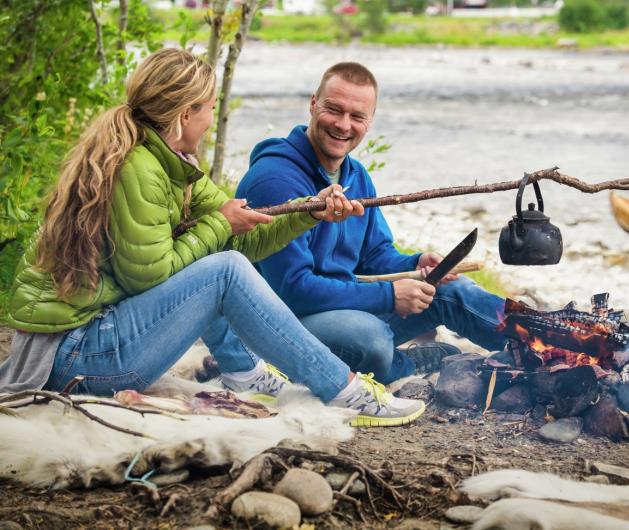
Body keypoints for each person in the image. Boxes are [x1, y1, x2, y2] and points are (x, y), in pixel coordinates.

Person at [0, 49, 425, 428]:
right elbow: (149, 277)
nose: (212, 116)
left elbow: (245, 235)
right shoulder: (138, 170)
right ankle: (344, 390)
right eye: (210, 107)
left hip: (92, 342)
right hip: (76, 360)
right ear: (186, 114)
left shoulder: (171, 165)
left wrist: (310, 212)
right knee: (221, 268)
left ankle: (243, 371)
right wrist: (218, 226)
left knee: (222, 261)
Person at [236, 62, 507, 385]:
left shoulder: (356, 176)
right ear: (313, 103)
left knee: (451, 289)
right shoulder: (275, 181)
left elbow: (375, 256)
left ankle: (543, 345)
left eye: (357, 116)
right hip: (279, 326)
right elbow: (294, 291)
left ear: (370, 121)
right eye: (334, 110)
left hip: (337, 307)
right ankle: (404, 365)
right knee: (371, 338)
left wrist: (415, 262)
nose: (343, 125)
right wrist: (389, 296)